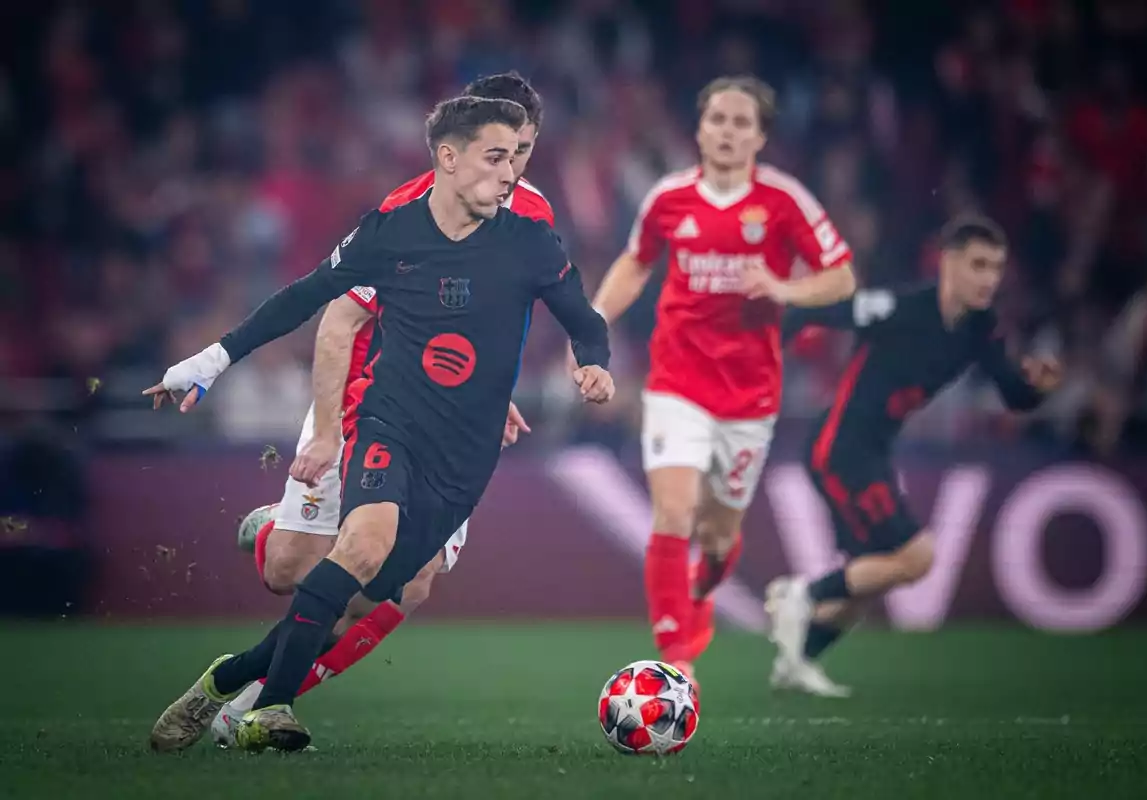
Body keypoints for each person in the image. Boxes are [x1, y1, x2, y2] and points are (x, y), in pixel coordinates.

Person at [146, 96, 614, 753]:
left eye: (522, 153)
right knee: (341, 555)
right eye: (500, 155)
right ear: (450, 157)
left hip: (465, 446)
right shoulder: (395, 225)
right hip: (377, 407)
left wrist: (590, 364)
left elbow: (574, 317)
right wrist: (215, 361)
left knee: (377, 592)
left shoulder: (531, 230)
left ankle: (232, 681)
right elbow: (317, 307)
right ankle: (269, 707)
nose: (514, 171)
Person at [586, 75, 856, 682]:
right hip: (677, 383)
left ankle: (703, 587)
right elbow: (636, 262)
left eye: (741, 123)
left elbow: (841, 277)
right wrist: (595, 320)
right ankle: (674, 658)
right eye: (718, 120)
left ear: (760, 137)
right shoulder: (668, 199)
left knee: (716, 537)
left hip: (750, 395)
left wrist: (785, 288)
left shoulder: (785, 202)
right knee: (674, 514)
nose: (728, 132)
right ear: (700, 129)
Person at [743, 215, 1061, 696]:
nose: (988, 278)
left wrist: (1036, 390)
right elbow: (814, 313)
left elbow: (1012, 394)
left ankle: (797, 658)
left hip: (869, 451)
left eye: (996, 267)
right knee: (917, 557)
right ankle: (803, 595)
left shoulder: (981, 328)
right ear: (948, 262)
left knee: (872, 578)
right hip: (841, 448)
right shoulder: (900, 308)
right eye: (977, 264)